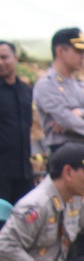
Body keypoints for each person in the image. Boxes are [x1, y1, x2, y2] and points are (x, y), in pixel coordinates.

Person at [32, 28, 84, 214]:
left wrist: (81, 114)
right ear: (60, 51)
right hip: (64, 155)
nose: (83, 56)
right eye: (78, 50)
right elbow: (66, 120)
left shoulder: (82, 86)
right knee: (65, 210)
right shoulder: (46, 85)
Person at [0, 40, 35, 206]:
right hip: (2, 173)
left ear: (15, 58)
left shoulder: (25, 91)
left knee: (26, 221)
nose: (1, 62)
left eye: (4, 57)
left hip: (24, 171)